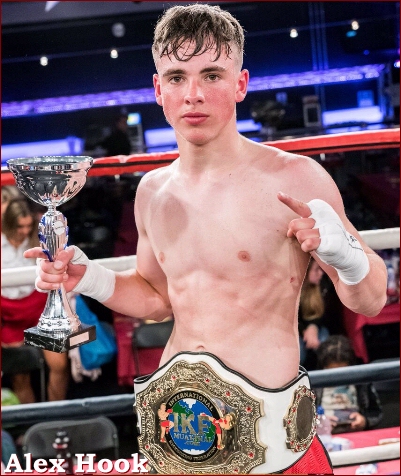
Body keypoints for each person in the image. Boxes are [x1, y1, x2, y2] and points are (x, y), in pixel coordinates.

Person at [26, 4, 387, 474]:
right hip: (177, 435)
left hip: (270, 444)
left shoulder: (296, 178)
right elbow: (157, 299)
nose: (193, 94)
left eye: (212, 75)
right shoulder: (152, 191)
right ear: (159, 90)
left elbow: (371, 300)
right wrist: (87, 277)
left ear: (240, 83)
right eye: (177, 77)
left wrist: (345, 257)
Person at [2, 198, 69, 402]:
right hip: (9, 316)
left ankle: (57, 416)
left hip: (41, 308)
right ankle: (31, 421)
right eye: (19, 227)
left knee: (60, 365)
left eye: (28, 226)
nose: (24, 231)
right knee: (20, 375)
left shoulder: (40, 240)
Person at [314, 335, 383, 433]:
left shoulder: (362, 382)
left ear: (350, 366)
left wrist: (365, 421)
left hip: (356, 433)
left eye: (342, 373)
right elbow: (301, 418)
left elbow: (376, 412)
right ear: (323, 367)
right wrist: (318, 422)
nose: (338, 378)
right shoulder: (312, 383)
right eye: (332, 373)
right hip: (323, 435)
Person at [298, 258, 330, 369]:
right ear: (305, 271)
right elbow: (289, 317)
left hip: (317, 327)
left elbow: (326, 315)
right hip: (295, 329)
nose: (321, 273)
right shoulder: (290, 289)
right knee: (299, 351)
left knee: (325, 344)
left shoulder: (323, 285)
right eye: (317, 269)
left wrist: (313, 327)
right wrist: (303, 331)